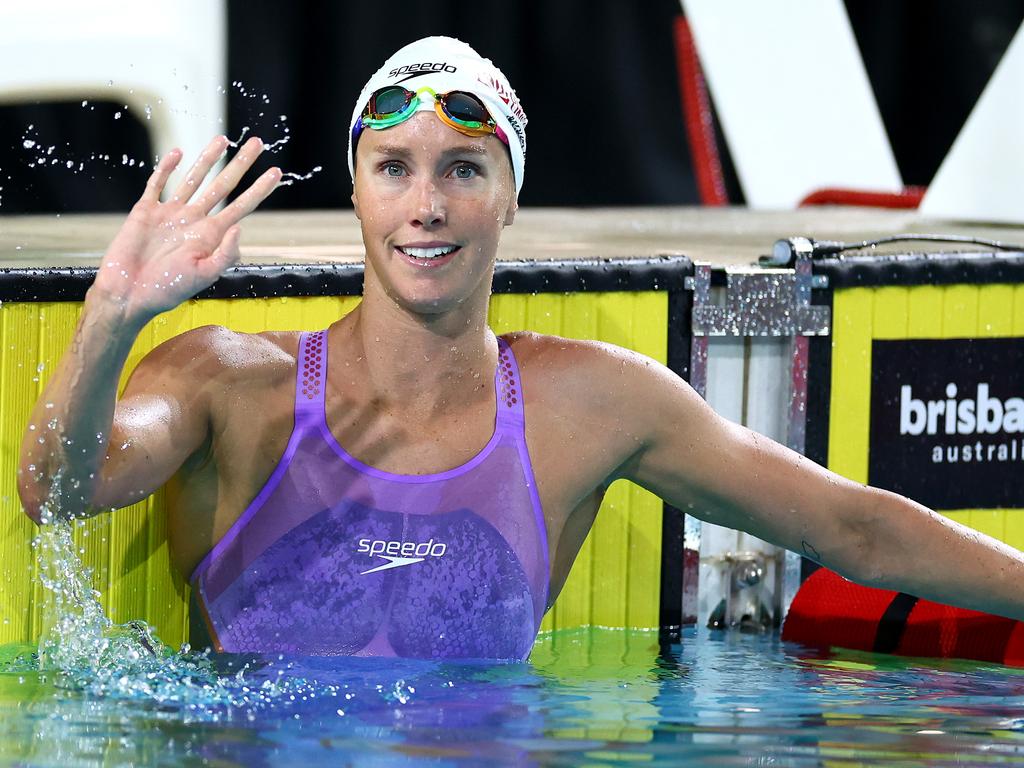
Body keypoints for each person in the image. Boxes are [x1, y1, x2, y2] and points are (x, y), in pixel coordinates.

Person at [17, 37, 1024, 660]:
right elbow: (53, 490)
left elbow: (852, 529)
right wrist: (112, 316)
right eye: (393, 169)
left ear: (510, 197)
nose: (426, 205)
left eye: (463, 168)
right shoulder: (227, 381)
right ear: (357, 192)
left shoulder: (591, 405)